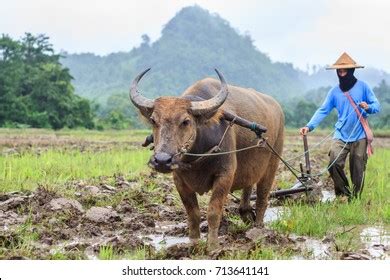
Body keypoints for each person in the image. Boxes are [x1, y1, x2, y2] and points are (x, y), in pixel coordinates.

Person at [300, 52, 380, 201]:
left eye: (345, 71)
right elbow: (323, 110)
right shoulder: (334, 92)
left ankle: (355, 199)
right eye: (339, 71)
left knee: (357, 167)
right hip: (341, 134)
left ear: (351, 71)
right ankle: (343, 194)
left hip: (359, 135)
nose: (342, 73)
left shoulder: (363, 87)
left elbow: (377, 106)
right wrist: (309, 126)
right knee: (333, 163)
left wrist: (368, 107)